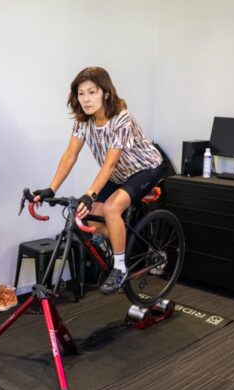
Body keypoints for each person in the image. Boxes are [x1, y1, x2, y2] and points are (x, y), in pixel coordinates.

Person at [33, 67, 170, 293]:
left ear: (105, 93)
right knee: (93, 221)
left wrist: (90, 194)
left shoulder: (122, 120)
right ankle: (122, 238)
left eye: (92, 92)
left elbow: (110, 163)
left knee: (111, 209)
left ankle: (119, 268)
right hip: (119, 175)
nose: (86, 99)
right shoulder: (83, 121)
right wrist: (51, 188)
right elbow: (70, 155)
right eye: (81, 93)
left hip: (146, 168)